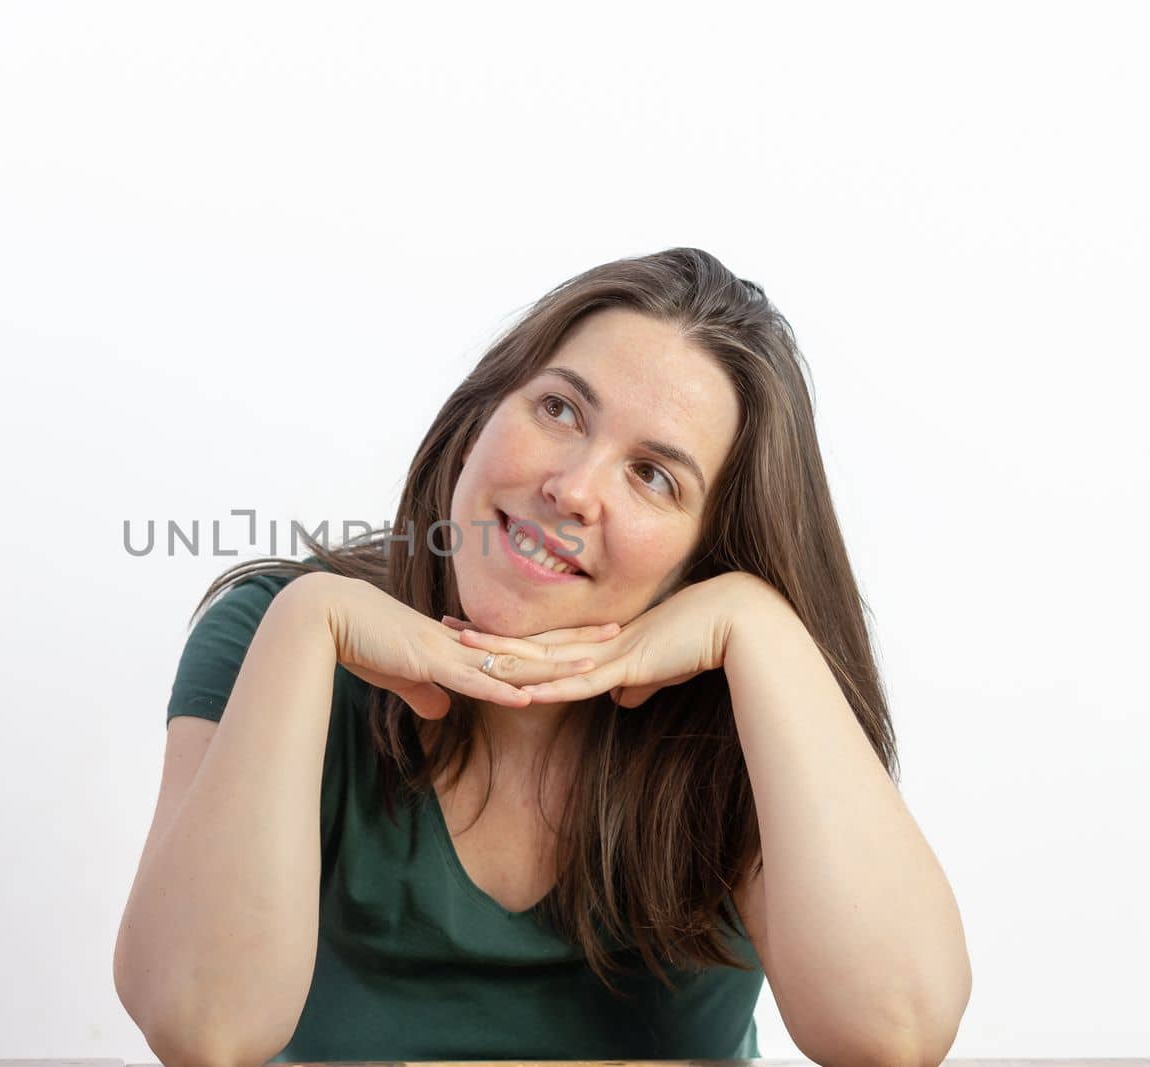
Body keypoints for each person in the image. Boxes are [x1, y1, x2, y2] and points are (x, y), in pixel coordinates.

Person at [113, 248, 972, 1066]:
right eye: (560, 408)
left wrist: (761, 627)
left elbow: (891, 1035)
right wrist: (303, 627)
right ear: (480, 417)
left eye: (654, 476)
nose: (572, 487)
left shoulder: (739, 698)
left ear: (704, 558)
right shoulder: (272, 634)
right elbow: (203, 1029)